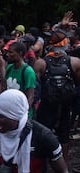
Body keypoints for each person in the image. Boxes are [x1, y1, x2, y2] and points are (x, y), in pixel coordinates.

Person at [34, 29, 80, 162]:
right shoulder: (75, 61)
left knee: (43, 133)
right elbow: (78, 84)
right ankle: (63, 167)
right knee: (64, 136)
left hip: (47, 105)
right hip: (65, 105)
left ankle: (41, 164)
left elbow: (36, 86)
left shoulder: (40, 63)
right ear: (65, 43)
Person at [2, 41, 37, 118]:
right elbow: (3, 86)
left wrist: (22, 114)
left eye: (11, 52)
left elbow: (30, 97)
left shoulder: (28, 71)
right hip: (8, 112)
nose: (7, 55)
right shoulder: (9, 67)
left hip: (20, 115)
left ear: (20, 53)